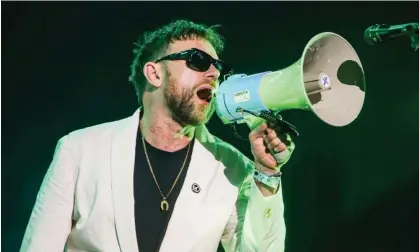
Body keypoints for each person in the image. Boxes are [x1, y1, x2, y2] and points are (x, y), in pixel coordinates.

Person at [20, 20, 295, 252]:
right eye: (198, 61)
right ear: (154, 73)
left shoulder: (233, 167)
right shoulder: (79, 150)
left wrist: (267, 174)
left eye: (217, 66)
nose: (214, 74)